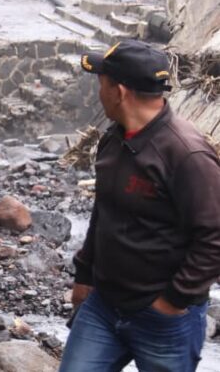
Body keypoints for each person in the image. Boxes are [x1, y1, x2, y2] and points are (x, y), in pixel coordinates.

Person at [60, 39, 220, 371]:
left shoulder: (186, 154)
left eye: (101, 82)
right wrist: (84, 274)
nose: (98, 91)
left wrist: (172, 301)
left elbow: (214, 237)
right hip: (103, 306)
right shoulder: (113, 139)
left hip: (163, 319)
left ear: (119, 91)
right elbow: (103, 212)